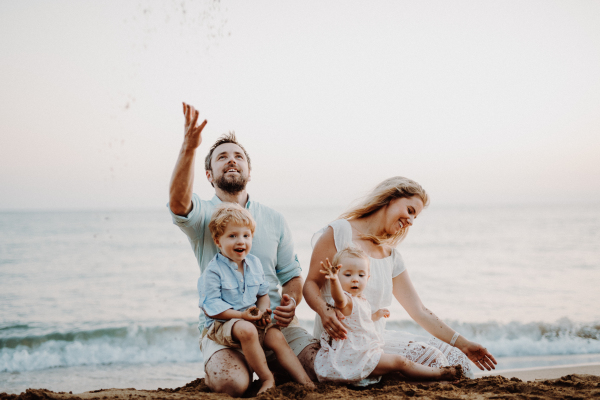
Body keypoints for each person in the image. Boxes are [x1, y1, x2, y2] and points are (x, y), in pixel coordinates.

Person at [169, 103, 319, 397]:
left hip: (273, 323)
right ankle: (252, 369)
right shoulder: (202, 215)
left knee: (319, 370)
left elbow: (292, 276)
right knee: (231, 384)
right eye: (221, 157)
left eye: (238, 156)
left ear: (249, 172)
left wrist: (290, 304)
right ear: (210, 174)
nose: (231, 160)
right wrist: (189, 148)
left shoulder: (274, 219)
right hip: (226, 328)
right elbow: (177, 203)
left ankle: (275, 366)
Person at [303, 176, 497, 379]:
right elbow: (311, 284)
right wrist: (325, 312)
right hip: (342, 342)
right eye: (410, 211)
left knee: (458, 359)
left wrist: (464, 344)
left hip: (375, 338)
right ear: (391, 198)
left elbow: (419, 311)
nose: (411, 221)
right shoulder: (340, 232)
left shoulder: (391, 255)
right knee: (434, 358)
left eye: (415, 217)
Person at [199, 203, 314, 393]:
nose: (241, 241)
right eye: (232, 236)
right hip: (223, 322)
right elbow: (212, 307)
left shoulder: (254, 264)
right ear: (218, 241)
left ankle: (305, 382)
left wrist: (262, 311)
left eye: (246, 235)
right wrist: (242, 316)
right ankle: (267, 379)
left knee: (276, 335)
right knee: (247, 330)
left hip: (250, 319)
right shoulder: (213, 271)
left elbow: (263, 294)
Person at [314, 247, 463, 385]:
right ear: (338, 276)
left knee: (399, 365)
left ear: (368, 277)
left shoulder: (361, 300)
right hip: (356, 356)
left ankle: (436, 374)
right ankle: (438, 374)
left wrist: (375, 315)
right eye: (348, 274)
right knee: (400, 362)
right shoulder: (346, 300)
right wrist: (333, 281)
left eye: (361, 275)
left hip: (364, 351)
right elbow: (340, 299)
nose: (355, 279)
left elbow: (359, 321)